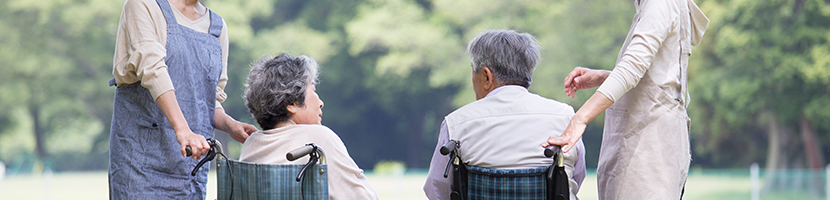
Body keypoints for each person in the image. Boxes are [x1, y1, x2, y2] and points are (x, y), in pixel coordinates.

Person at [544, 0, 709, 199]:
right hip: (645, 150)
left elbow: (633, 66)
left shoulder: (660, 3)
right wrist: (602, 77)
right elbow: (654, 79)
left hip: (647, 153)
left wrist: (579, 119)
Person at [109, 0, 258, 198]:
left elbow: (208, 99)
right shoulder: (143, 5)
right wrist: (183, 130)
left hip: (190, 169)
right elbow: (152, 70)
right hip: (140, 165)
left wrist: (230, 125)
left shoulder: (217, 27)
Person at [424, 29, 587, 200]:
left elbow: (436, 191)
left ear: (487, 76)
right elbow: (574, 180)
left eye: (473, 72)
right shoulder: (566, 117)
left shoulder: (456, 123)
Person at [238, 54, 380, 200]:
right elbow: (362, 196)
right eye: (313, 90)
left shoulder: (251, 145)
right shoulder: (319, 138)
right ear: (292, 103)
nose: (321, 102)